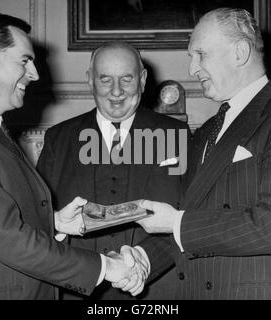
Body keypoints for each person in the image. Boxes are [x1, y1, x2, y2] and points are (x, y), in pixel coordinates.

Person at [0, 14, 145, 300]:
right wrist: (105, 267)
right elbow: (4, 235)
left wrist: (53, 222)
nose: (35, 73)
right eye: (24, 61)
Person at [126, 7, 271, 299]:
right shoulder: (208, 130)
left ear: (240, 52)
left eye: (200, 55)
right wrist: (141, 261)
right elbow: (188, 218)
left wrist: (176, 222)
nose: (191, 69)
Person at [37, 41, 189, 299]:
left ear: (142, 80)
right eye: (105, 79)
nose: (116, 91)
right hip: (80, 294)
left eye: (126, 79)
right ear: (90, 80)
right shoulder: (58, 139)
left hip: (157, 294)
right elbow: (37, 222)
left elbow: (190, 218)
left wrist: (144, 262)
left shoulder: (178, 137)